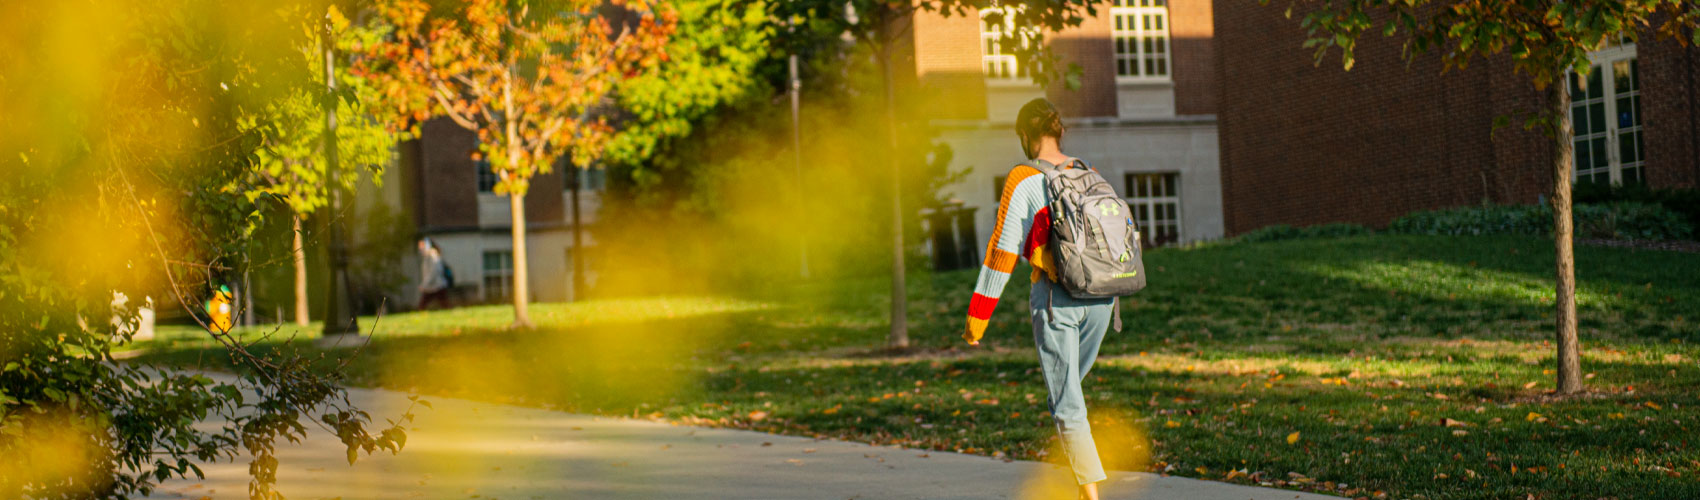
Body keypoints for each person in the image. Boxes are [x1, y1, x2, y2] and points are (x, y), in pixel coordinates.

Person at [964, 98, 1114, 500]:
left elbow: (1002, 252)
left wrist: (977, 320)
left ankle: (1090, 495)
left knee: (1066, 405)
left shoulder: (1023, 178)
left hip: (1056, 300)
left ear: (1026, 136)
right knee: (1068, 398)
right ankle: (1077, 478)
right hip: (1103, 299)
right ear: (1059, 131)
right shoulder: (1087, 172)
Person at [417, 238, 451, 310]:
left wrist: (425, 284)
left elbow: (433, 272)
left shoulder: (432, 256)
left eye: (422, 246)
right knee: (444, 305)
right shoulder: (427, 257)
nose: (420, 249)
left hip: (437, 285)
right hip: (432, 286)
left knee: (423, 305)